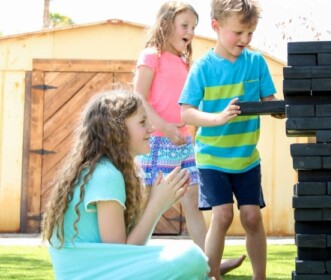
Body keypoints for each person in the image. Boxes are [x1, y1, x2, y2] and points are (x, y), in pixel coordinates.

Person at [41, 89, 210, 280]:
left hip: (98, 270)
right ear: (117, 129)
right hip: (91, 274)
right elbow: (120, 255)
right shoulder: (106, 175)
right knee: (191, 256)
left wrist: (159, 203)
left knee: (185, 254)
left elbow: (128, 255)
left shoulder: (108, 170)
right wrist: (156, 205)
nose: (152, 128)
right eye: (142, 122)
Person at [133, 1, 245, 275]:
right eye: (185, 25)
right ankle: (129, 259)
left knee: (193, 200)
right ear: (166, 25)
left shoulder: (185, 63)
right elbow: (137, 96)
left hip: (182, 141)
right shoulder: (151, 55)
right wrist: (163, 127)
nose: (190, 32)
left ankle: (209, 265)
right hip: (155, 141)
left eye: (194, 27)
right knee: (146, 201)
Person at [178, 0, 282, 279]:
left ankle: (260, 277)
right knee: (222, 216)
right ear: (216, 26)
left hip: (246, 158)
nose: (245, 40)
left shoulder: (256, 62)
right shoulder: (203, 68)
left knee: (252, 217)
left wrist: (279, 110)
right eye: (238, 33)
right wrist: (217, 118)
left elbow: (269, 100)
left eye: (250, 33)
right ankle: (213, 276)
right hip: (212, 157)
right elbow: (186, 112)